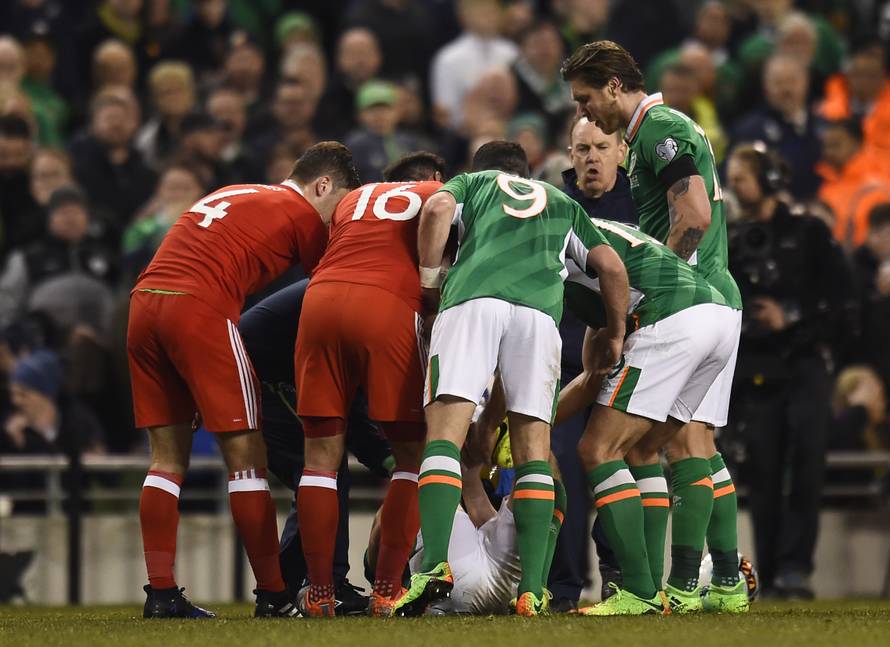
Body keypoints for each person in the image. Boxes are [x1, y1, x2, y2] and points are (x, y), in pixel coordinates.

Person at [393, 141, 630, 618]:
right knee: (533, 449)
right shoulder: (562, 202)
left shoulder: (473, 184)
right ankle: (534, 590)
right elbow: (611, 266)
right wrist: (616, 331)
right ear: (526, 172)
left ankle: (434, 567)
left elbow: (438, 207)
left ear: (481, 169)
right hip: (540, 316)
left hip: (473, 300)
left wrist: (428, 281)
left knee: (444, 433)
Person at [126, 141, 360, 619]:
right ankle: (273, 595)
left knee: (166, 460)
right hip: (200, 308)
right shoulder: (300, 213)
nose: (335, 221)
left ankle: (161, 593)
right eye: (338, 206)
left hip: (144, 303)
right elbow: (334, 279)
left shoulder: (237, 191)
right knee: (246, 459)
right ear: (322, 186)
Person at [562, 40, 745, 614]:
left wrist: (661, 288)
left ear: (615, 85)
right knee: (689, 445)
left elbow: (693, 214)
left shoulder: (660, 128)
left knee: (637, 445)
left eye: (588, 100)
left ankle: (667, 588)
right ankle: (715, 583)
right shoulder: (652, 135)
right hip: (716, 298)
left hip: (692, 295)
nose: (587, 113)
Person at [293, 151, 447, 617]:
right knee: (413, 455)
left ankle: (320, 593)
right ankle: (386, 589)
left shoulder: (355, 197)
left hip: (319, 301)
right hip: (387, 305)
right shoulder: (438, 194)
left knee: (320, 457)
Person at [725, 142, 854, 599]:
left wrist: (791, 316)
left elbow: (842, 303)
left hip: (803, 366)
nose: (735, 186)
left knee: (805, 465)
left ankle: (797, 567)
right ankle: (772, 567)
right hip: (755, 366)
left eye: (741, 177)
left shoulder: (811, 233)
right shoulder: (733, 238)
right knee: (761, 469)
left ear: (770, 180)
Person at [239, 278, 392, 615]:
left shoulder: (352, 289)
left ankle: (287, 586)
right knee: (324, 465)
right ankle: (323, 585)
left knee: (318, 469)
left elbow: (352, 402)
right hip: (259, 373)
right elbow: (352, 408)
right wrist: (390, 461)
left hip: (267, 368)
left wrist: (387, 459)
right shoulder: (368, 303)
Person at [548, 116, 636, 611]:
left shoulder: (643, 204)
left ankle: (619, 578)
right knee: (558, 467)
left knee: (613, 466)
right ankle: (563, 586)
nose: (591, 157)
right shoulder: (553, 205)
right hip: (559, 360)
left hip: (625, 358)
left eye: (601, 146)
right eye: (582, 148)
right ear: (570, 151)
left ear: (622, 152)